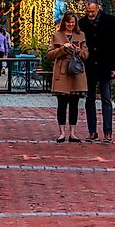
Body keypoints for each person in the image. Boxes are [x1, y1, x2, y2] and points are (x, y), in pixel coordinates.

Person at [79, 0, 115, 143]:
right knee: (89, 99)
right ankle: (92, 131)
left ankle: (108, 131)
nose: (90, 14)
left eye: (92, 11)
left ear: (98, 8)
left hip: (105, 64)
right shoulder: (82, 23)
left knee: (106, 99)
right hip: (89, 65)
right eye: (88, 11)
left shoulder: (110, 21)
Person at [47, 12, 89, 142]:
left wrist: (77, 50)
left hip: (76, 72)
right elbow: (49, 55)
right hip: (62, 72)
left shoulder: (81, 35)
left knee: (74, 104)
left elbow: (86, 55)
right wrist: (62, 49)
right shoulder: (57, 36)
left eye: (73, 22)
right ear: (63, 22)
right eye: (68, 22)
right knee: (62, 104)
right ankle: (62, 133)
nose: (70, 25)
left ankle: (73, 133)